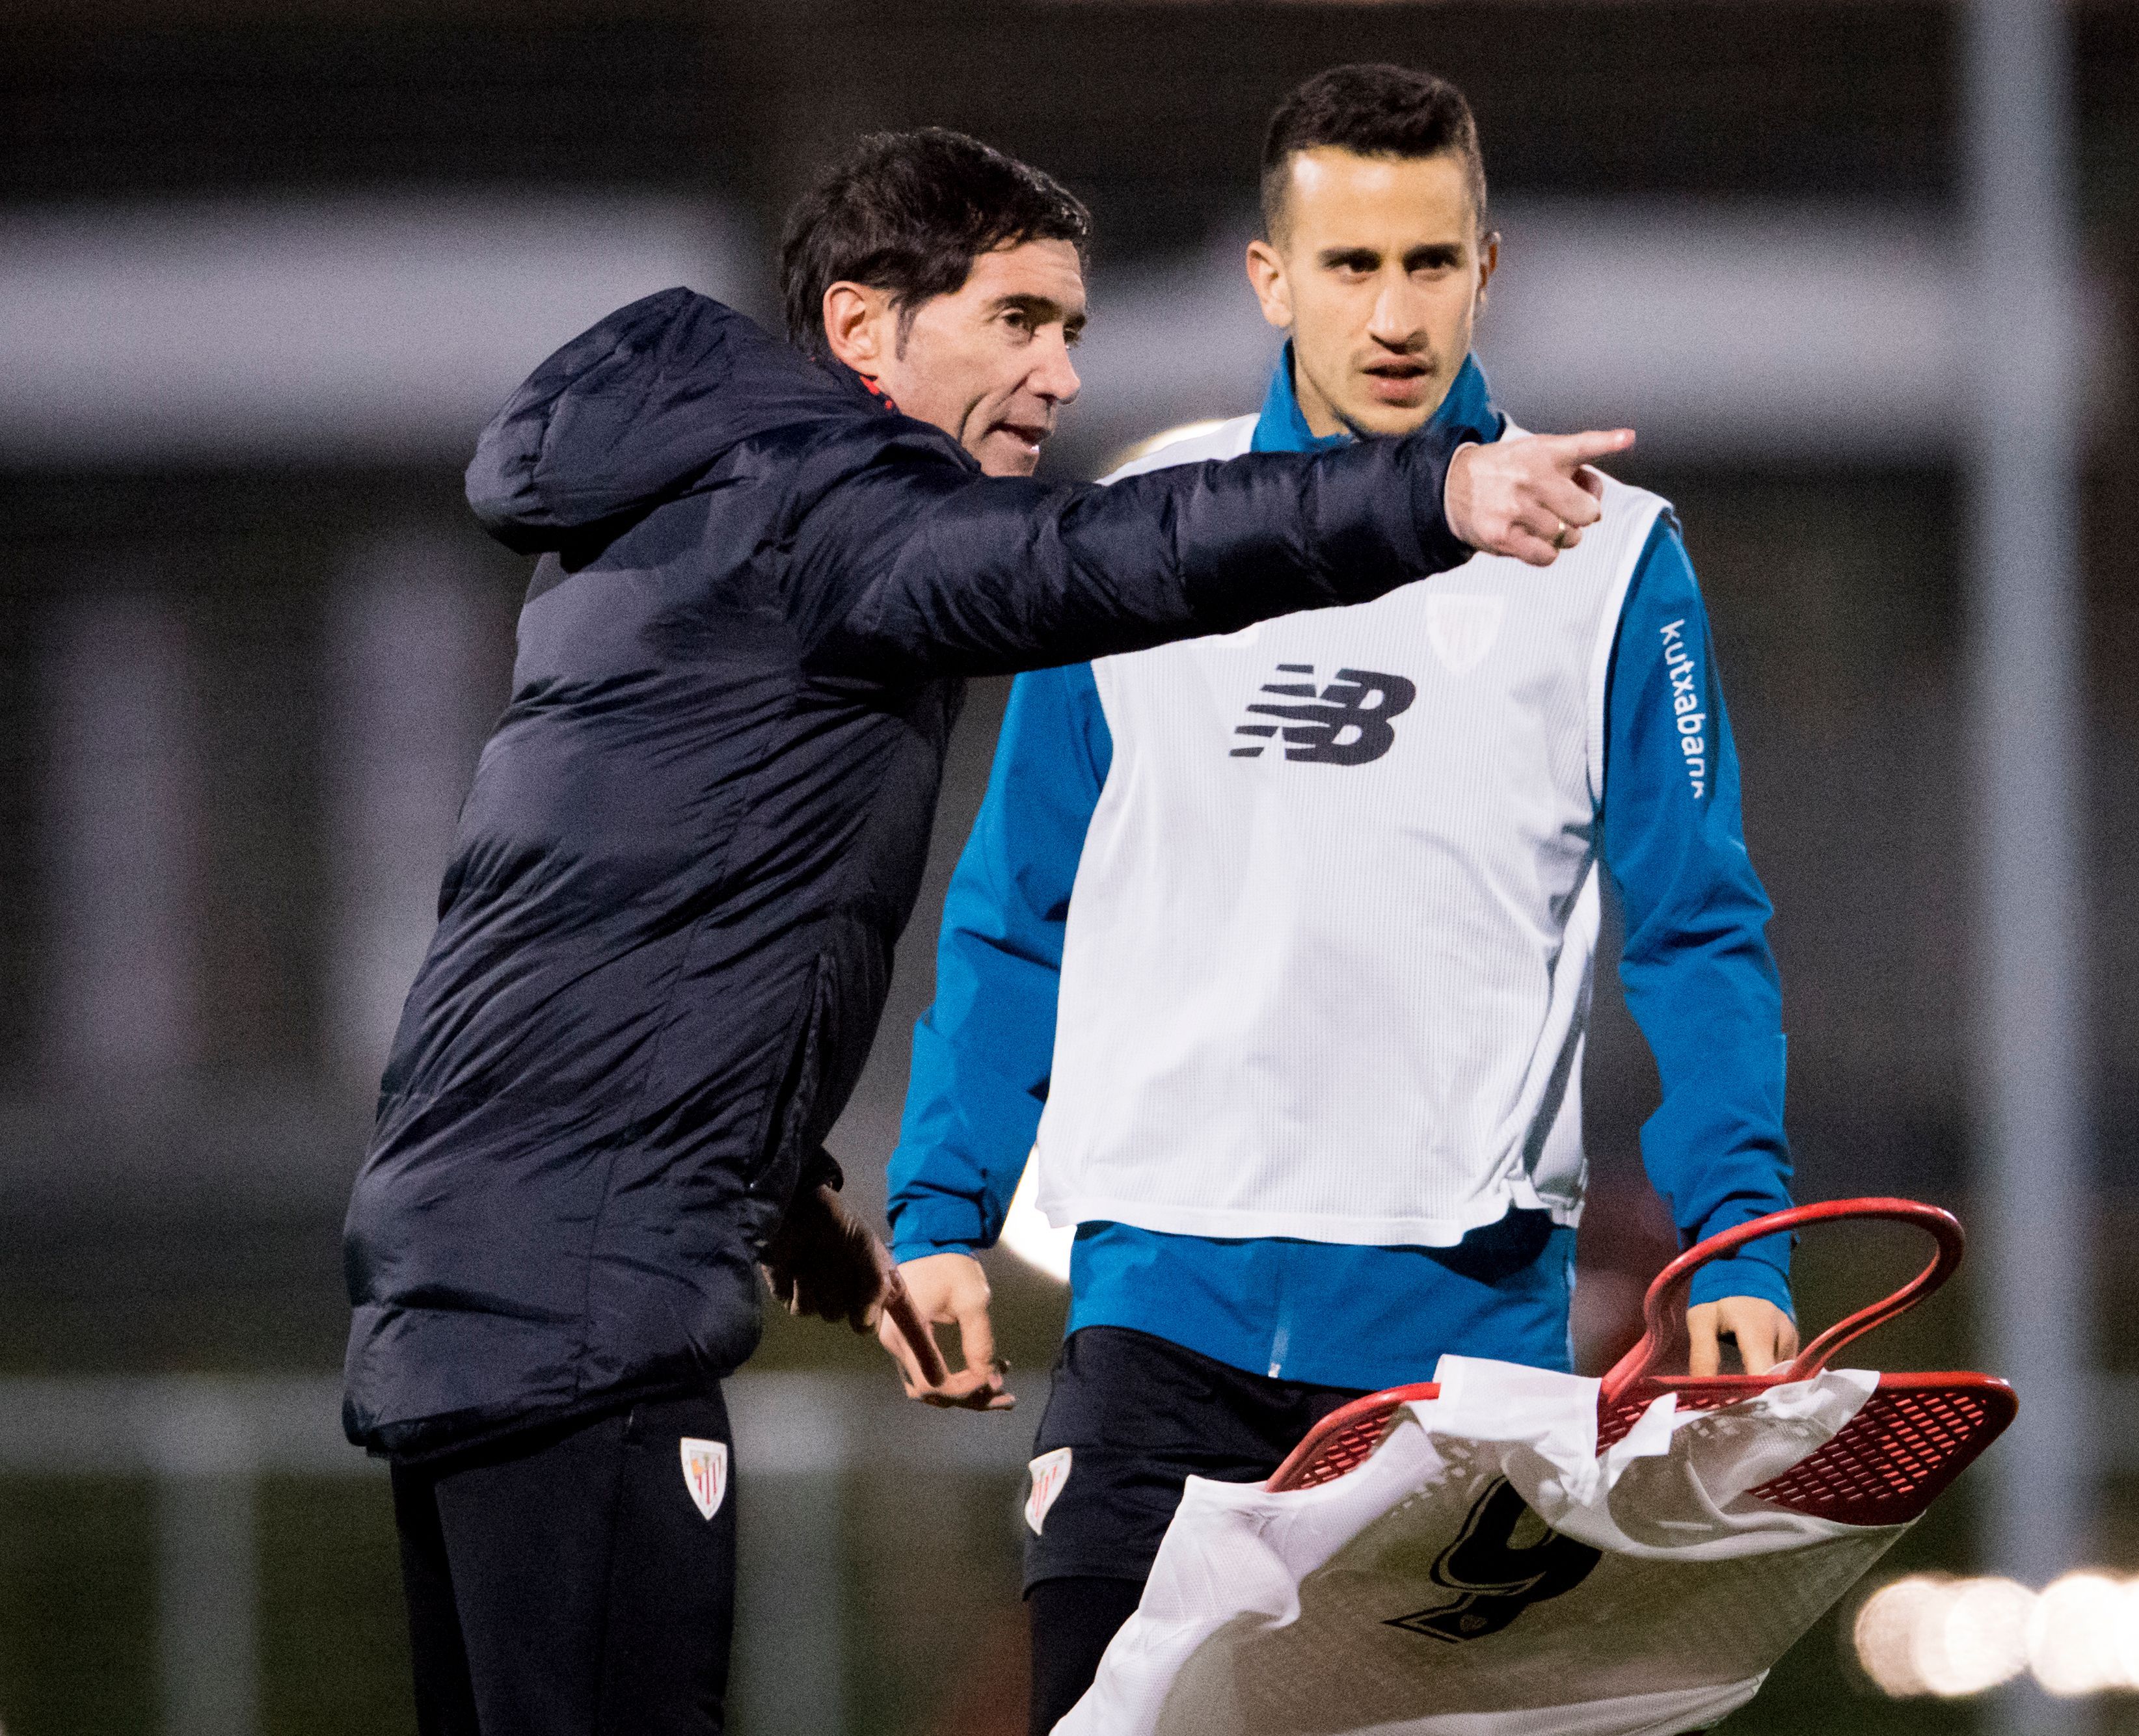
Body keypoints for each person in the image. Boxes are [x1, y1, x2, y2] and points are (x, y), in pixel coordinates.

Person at [340, 125, 1629, 1736]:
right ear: (866, 332)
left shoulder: (679, 512)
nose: (1060, 373)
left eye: (1073, 329)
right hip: (585, 1305)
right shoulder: (839, 510)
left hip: (480, 1262)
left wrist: (782, 1186)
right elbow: (1111, 557)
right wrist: (1426, 490)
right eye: (1017, 320)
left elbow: (626, 919)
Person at [880, 68, 1797, 1736]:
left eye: (1429, 263)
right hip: (1155, 1322)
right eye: (1351, 265)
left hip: (1452, 1359)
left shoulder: (1614, 564)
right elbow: (1019, 905)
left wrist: (1736, 1233)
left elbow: (1695, 928)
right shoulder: (1143, 534)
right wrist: (943, 1206)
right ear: (1269, 277)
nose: (1391, 312)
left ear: (1486, 272)